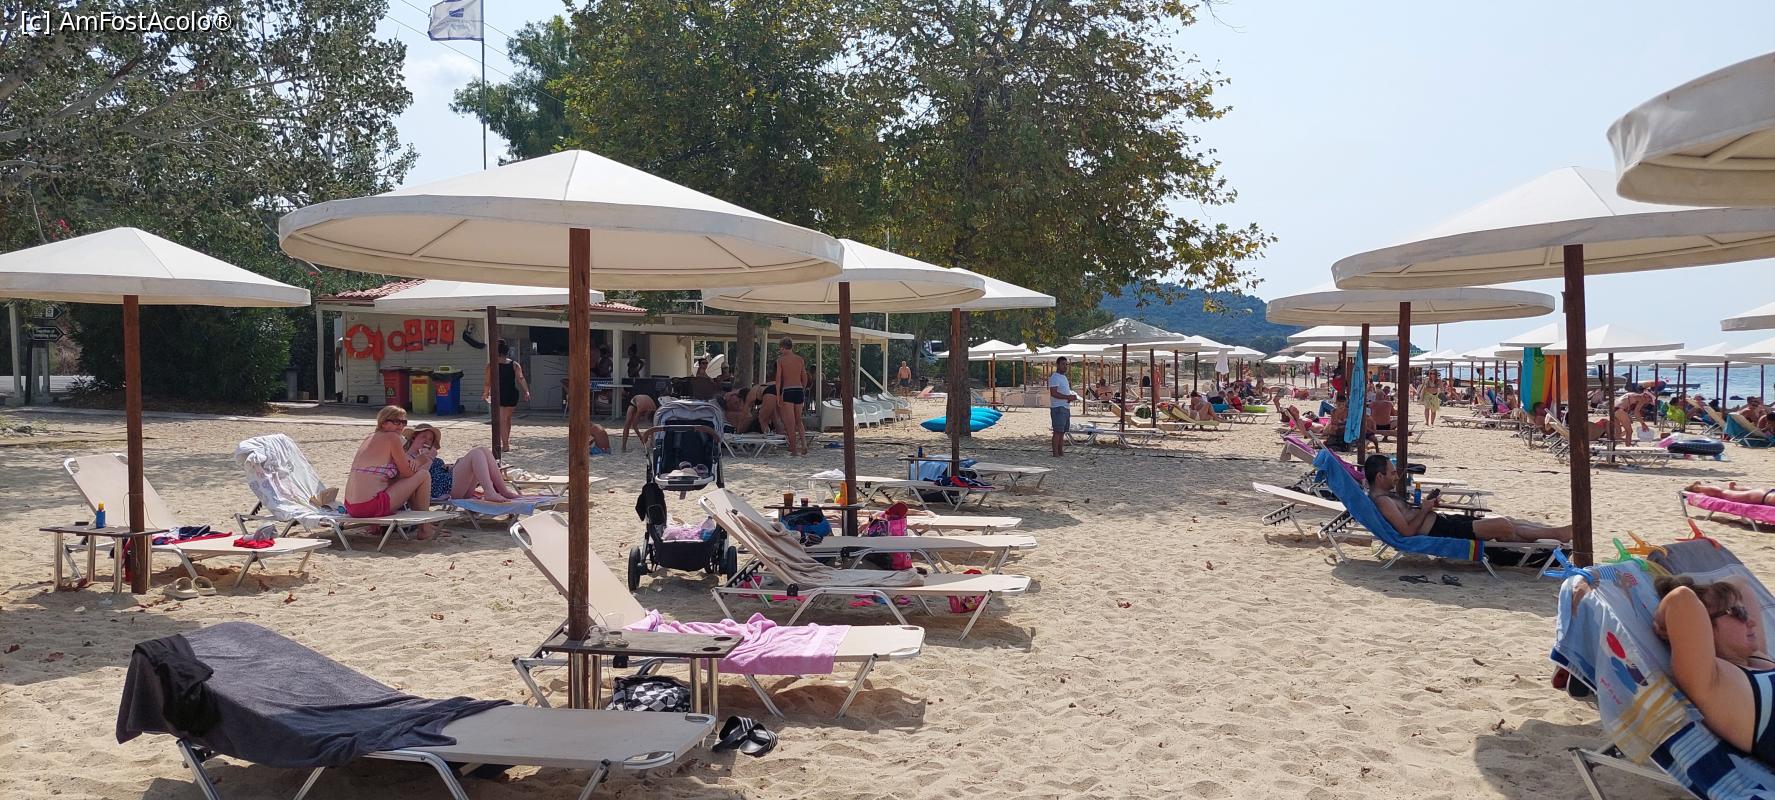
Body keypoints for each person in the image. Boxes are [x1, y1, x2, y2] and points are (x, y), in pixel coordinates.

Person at [1647, 574, 1775, 762]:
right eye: (1739, 613)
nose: (1751, 621)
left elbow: (1741, 582)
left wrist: (1718, 596)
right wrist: (1663, 620)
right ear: (1705, 625)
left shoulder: (1756, 659)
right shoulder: (1712, 681)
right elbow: (1681, 598)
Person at [1364, 454, 1572, 543]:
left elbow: (1408, 519)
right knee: (1503, 526)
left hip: (1442, 523)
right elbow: (1407, 532)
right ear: (1380, 477)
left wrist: (1426, 506)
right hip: (1442, 530)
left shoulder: (1384, 496)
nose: (1397, 476)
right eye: (1392, 473)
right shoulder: (1383, 502)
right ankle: (1556, 535)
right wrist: (1425, 509)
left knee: (1507, 523)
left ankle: (1554, 534)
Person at [344, 406, 437, 539]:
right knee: (423, 475)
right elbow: (407, 473)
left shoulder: (370, 437)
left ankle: (424, 525)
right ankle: (425, 529)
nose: (401, 426)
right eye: (396, 422)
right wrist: (422, 459)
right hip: (370, 506)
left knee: (408, 481)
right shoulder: (392, 437)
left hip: (351, 506)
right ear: (383, 423)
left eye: (403, 422)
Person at [405, 424, 522, 503]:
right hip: (441, 490)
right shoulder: (407, 457)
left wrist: (450, 467)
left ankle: (503, 491)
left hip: (454, 484)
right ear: (414, 438)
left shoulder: (428, 454)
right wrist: (429, 458)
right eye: (423, 437)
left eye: (430, 439)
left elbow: (438, 470)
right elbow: (419, 478)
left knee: (483, 450)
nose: (427, 440)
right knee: (476, 453)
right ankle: (489, 492)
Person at [482, 340, 530, 454]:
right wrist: (526, 391)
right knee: (507, 419)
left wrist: (485, 393)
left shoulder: (491, 365)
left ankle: (505, 444)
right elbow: (521, 378)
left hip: (499, 394)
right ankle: (505, 442)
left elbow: (487, 382)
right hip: (512, 393)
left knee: (502, 420)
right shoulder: (514, 364)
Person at [773, 337, 809, 456]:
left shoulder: (781, 361)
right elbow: (805, 377)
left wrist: (778, 395)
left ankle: (793, 448)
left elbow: (778, 379)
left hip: (788, 390)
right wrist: (802, 389)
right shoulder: (800, 360)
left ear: (783, 347)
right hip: (798, 389)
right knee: (799, 420)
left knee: (790, 422)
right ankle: (804, 444)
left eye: (780, 348)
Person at [1047, 356, 1079, 457]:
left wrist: (1070, 397)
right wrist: (1067, 397)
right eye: (1063, 364)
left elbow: (1064, 392)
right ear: (1057, 365)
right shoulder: (1055, 377)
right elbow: (1053, 393)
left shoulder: (1064, 377)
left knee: (1062, 432)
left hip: (1065, 406)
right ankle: (1055, 453)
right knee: (1057, 431)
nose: (1065, 366)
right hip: (1058, 407)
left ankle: (1060, 452)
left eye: (1066, 364)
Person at [1686, 481, 1775, 506]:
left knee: (1723, 492)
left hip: (1765, 494)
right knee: (1722, 493)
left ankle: (1735, 488)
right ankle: (1697, 487)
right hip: (1763, 496)